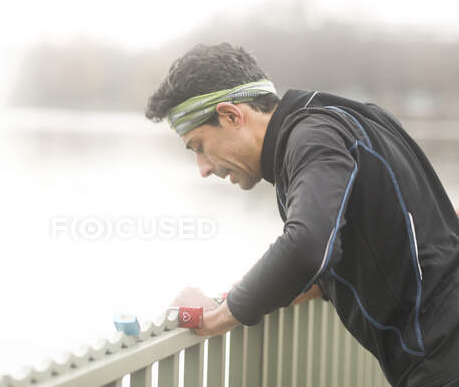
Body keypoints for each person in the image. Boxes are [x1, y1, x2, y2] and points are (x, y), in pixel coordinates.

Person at [144, 43, 459, 387]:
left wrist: (220, 315)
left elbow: (308, 244)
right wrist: (299, 284)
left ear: (231, 116)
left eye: (199, 146)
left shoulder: (312, 137)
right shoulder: (348, 117)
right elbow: (381, 233)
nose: (203, 168)